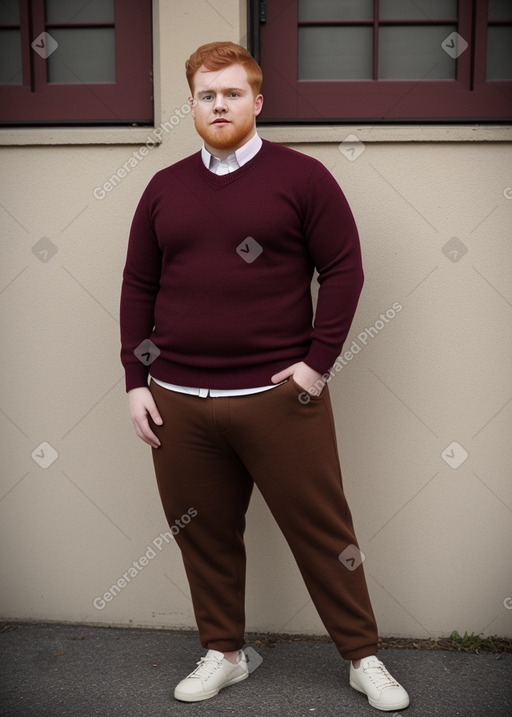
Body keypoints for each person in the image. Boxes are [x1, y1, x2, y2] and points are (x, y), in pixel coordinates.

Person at [120, 41, 410, 712]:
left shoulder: (302, 178)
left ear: (257, 101)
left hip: (280, 401)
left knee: (325, 533)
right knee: (205, 533)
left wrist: (315, 366)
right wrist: (136, 380)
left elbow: (344, 271)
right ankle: (224, 652)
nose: (218, 104)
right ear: (191, 104)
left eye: (230, 93)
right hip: (179, 402)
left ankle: (363, 658)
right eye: (205, 94)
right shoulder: (164, 187)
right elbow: (139, 283)